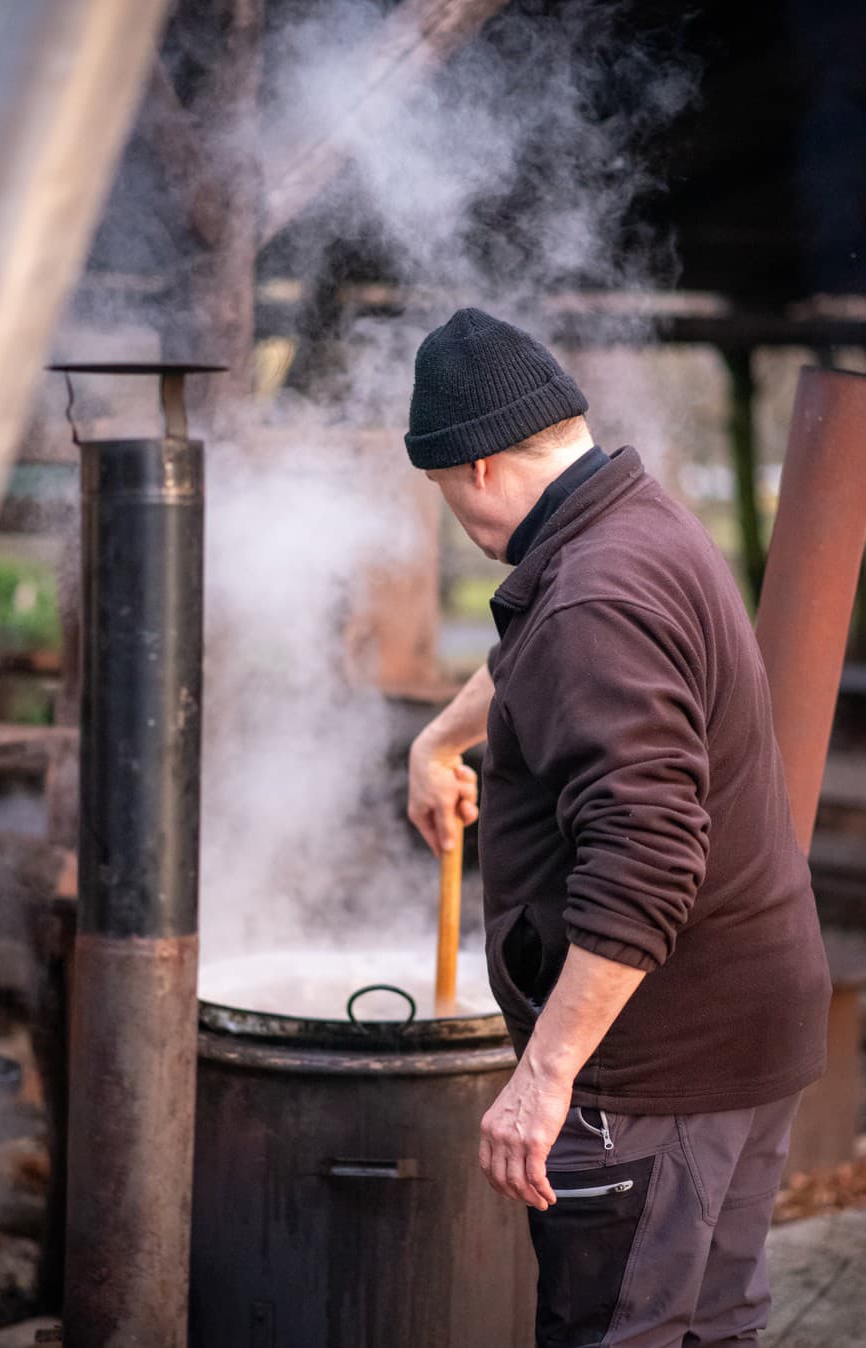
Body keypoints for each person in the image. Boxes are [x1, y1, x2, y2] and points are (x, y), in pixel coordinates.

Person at [404, 308, 831, 1348]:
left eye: (446, 486)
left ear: (485, 464)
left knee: (623, 1332)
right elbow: (541, 655)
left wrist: (541, 1080)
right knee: (708, 1328)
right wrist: (441, 739)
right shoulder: (634, 525)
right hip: (744, 1028)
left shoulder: (590, 592)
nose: (456, 509)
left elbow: (646, 856)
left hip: (657, 1066)